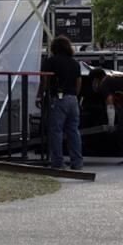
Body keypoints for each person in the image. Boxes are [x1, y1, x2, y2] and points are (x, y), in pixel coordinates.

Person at [37, 36, 83, 170]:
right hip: (73, 99)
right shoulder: (74, 63)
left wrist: (40, 95)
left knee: (56, 131)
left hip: (58, 98)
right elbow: (79, 82)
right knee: (73, 131)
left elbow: (44, 80)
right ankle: (77, 161)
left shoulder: (50, 61)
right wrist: (74, 94)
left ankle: (58, 162)